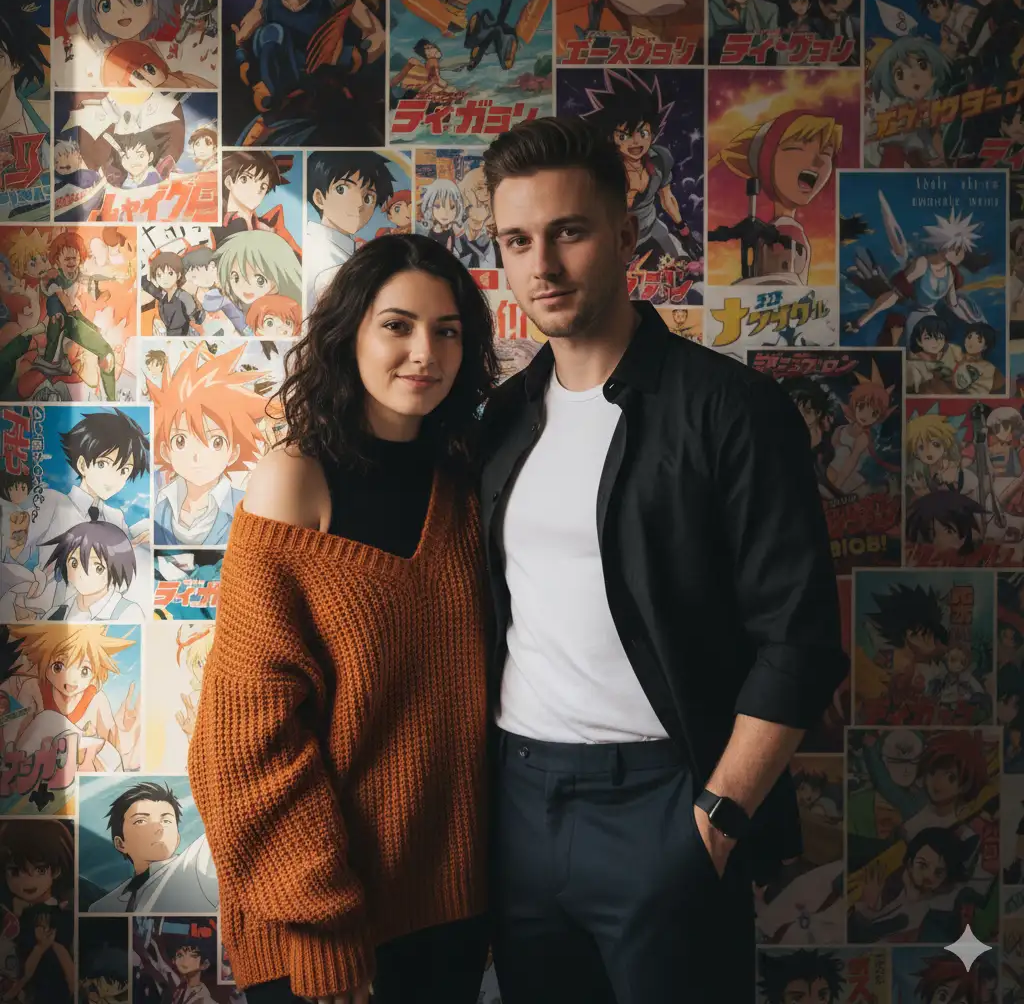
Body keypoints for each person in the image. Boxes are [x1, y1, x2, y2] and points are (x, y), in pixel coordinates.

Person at [478, 116, 848, 1002]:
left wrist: (714, 820)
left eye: (568, 231)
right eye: (518, 241)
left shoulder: (731, 410)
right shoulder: (501, 421)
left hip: (666, 802)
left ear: (625, 235)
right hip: (519, 803)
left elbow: (798, 640)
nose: (542, 265)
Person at [187, 233, 498, 1004]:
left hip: (449, 907)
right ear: (349, 334)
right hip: (322, 922)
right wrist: (322, 921)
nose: (425, 352)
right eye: (397, 325)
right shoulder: (295, 479)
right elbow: (243, 742)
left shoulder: (467, 482)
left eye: (447, 331)